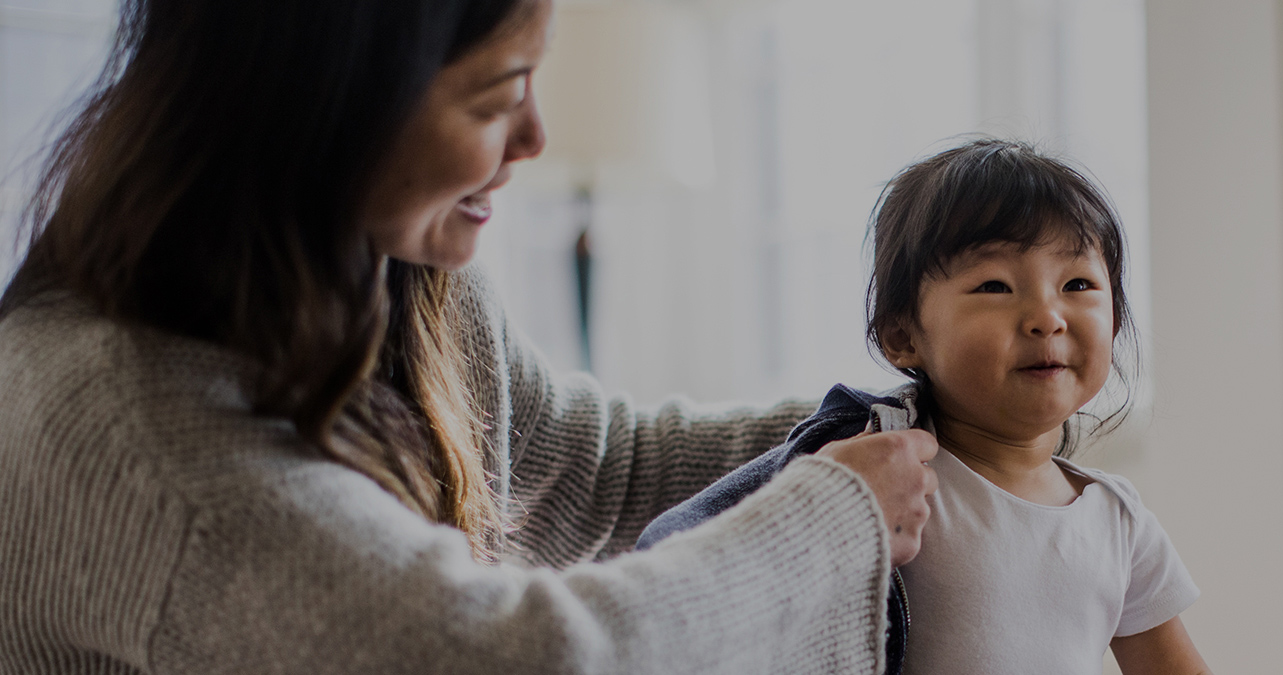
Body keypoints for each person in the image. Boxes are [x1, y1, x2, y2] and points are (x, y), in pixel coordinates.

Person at [0, 1, 936, 673]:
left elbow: (596, 468)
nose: (534, 135)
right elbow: (513, 655)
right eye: (495, 97)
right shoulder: (129, 427)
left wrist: (901, 420)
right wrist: (831, 516)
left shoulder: (408, 282)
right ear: (329, 107)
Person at [634, 139, 1211, 674]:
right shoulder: (875, 468)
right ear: (903, 335)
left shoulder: (1117, 521)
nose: (1047, 316)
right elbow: (679, 543)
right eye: (994, 286)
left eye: (1079, 284)